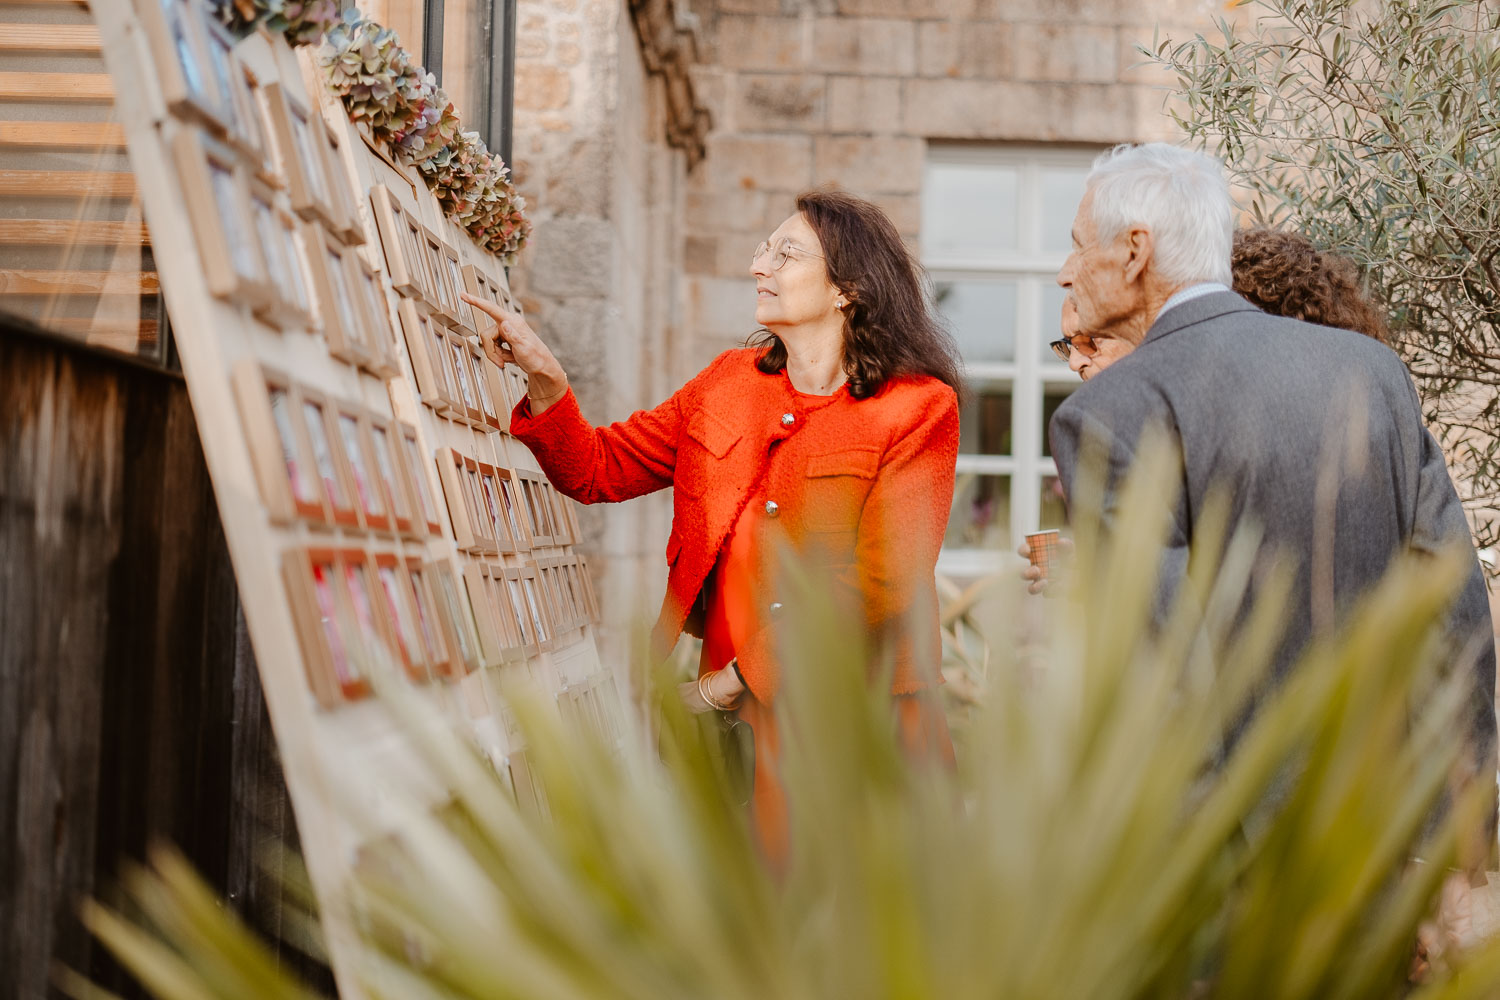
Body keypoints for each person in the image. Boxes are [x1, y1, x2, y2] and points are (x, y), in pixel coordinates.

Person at [461, 190, 964, 861]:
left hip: (857, 717)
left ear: (848, 289)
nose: (760, 265)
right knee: (744, 900)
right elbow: (599, 469)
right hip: (735, 730)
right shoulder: (729, 380)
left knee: (855, 911)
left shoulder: (920, 409)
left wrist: (729, 682)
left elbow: (882, 580)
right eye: (763, 249)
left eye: (786, 254)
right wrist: (548, 382)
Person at [1045, 142, 1496, 855]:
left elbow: (1163, 679)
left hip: (1234, 879)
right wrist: (1458, 845)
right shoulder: (1372, 370)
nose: (1066, 270)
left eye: (1077, 245)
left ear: (1135, 252)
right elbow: (1454, 615)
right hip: (1385, 850)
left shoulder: (1106, 412)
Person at [1025, 228, 1397, 588]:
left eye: (1091, 339)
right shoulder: (1375, 382)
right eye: (1067, 344)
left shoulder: (1222, 426)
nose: (1075, 361)